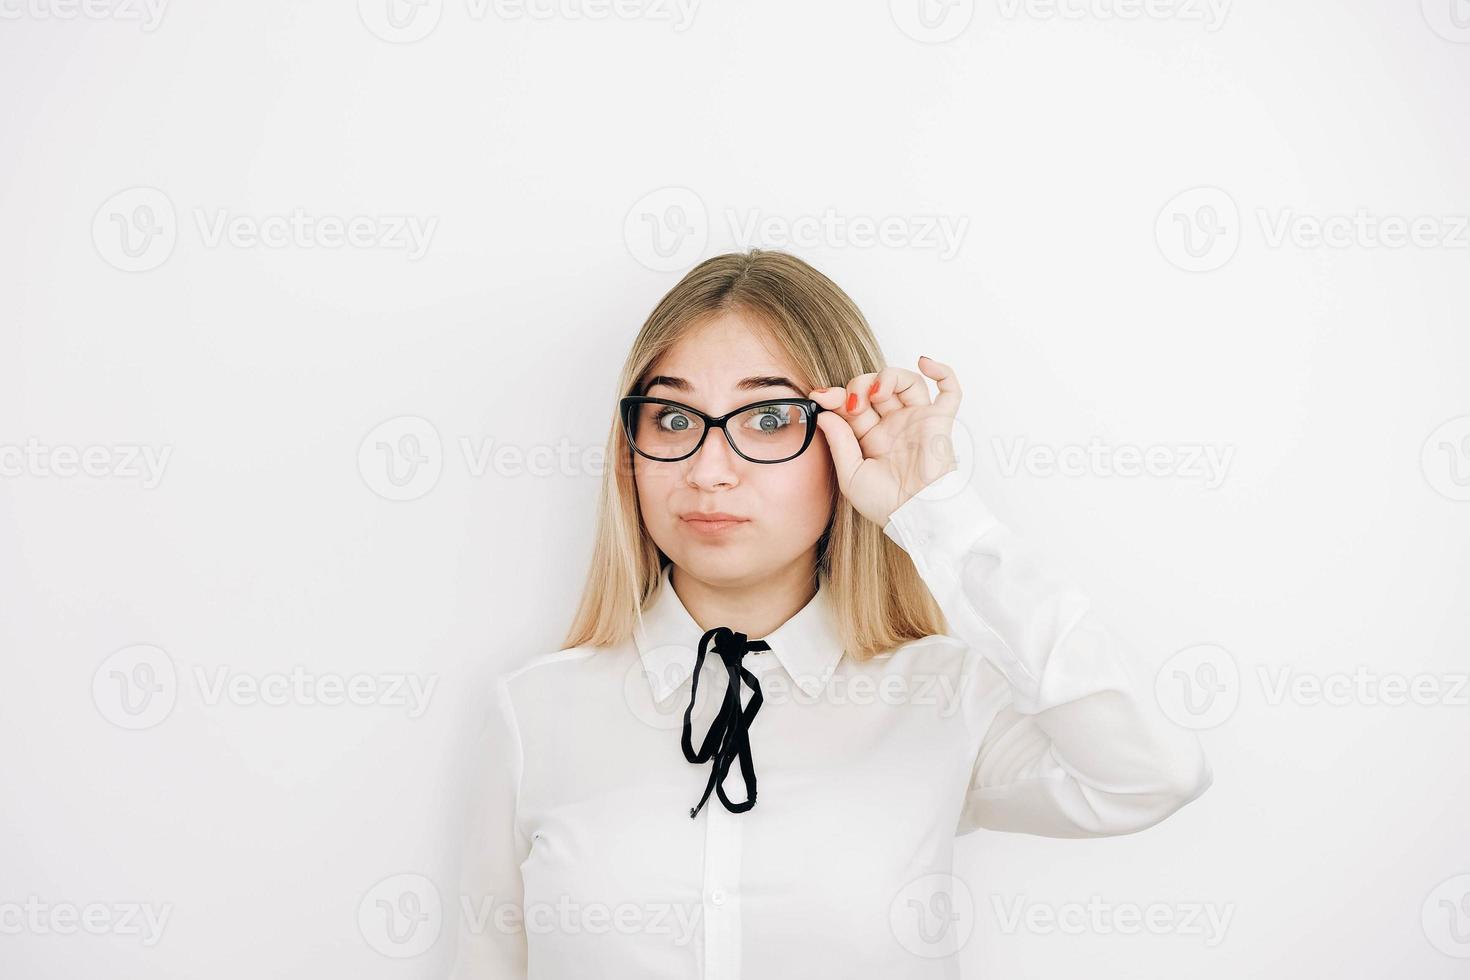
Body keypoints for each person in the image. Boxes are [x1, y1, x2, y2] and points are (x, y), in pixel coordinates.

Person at [451, 249, 1212, 979]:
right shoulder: (534, 710)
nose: (710, 471)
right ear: (632, 451)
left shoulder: (942, 695)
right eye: (675, 420)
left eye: (770, 419)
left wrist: (936, 511)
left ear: (844, 439)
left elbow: (1150, 777)